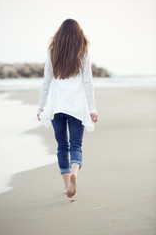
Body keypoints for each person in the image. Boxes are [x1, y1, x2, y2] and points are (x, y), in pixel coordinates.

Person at [37, 18, 98, 198]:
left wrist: (41, 107)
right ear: (78, 35)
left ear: (60, 34)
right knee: (76, 145)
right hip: (77, 107)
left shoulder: (52, 52)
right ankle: (74, 174)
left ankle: (66, 185)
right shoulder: (82, 52)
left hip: (57, 107)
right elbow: (88, 81)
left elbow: (46, 82)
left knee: (62, 146)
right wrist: (92, 108)